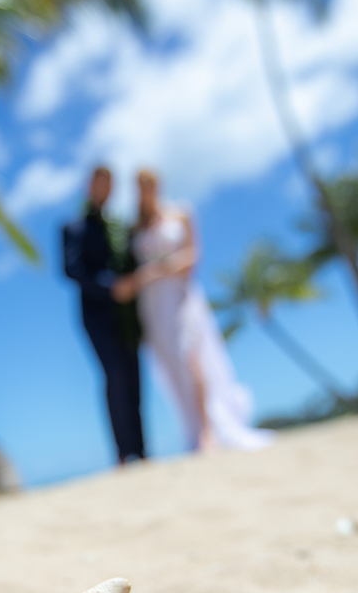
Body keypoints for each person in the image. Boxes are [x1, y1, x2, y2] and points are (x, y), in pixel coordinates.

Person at [113, 171, 274, 452]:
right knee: (171, 366)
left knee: (192, 359)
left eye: (149, 184)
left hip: (180, 296)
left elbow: (192, 257)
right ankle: (194, 430)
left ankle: (208, 432)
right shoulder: (134, 228)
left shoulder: (181, 213)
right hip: (152, 305)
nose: (145, 191)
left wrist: (156, 271)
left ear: (158, 185)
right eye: (140, 187)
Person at [62, 167, 145, 463]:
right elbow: (71, 270)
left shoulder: (119, 227)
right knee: (115, 376)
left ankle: (141, 450)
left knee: (134, 376)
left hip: (127, 314)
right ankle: (124, 453)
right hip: (96, 314)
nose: (105, 189)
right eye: (100, 183)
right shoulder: (74, 227)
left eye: (110, 184)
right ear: (90, 186)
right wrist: (111, 287)